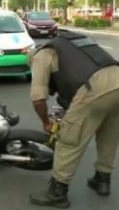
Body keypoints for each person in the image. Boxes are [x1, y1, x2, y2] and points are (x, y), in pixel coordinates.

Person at [28, 30, 119, 208]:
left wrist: (46, 122)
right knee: (109, 135)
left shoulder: (40, 57)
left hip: (94, 88)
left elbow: (38, 98)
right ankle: (102, 180)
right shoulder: (70, 43)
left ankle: (57, 193)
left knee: (69, 140)